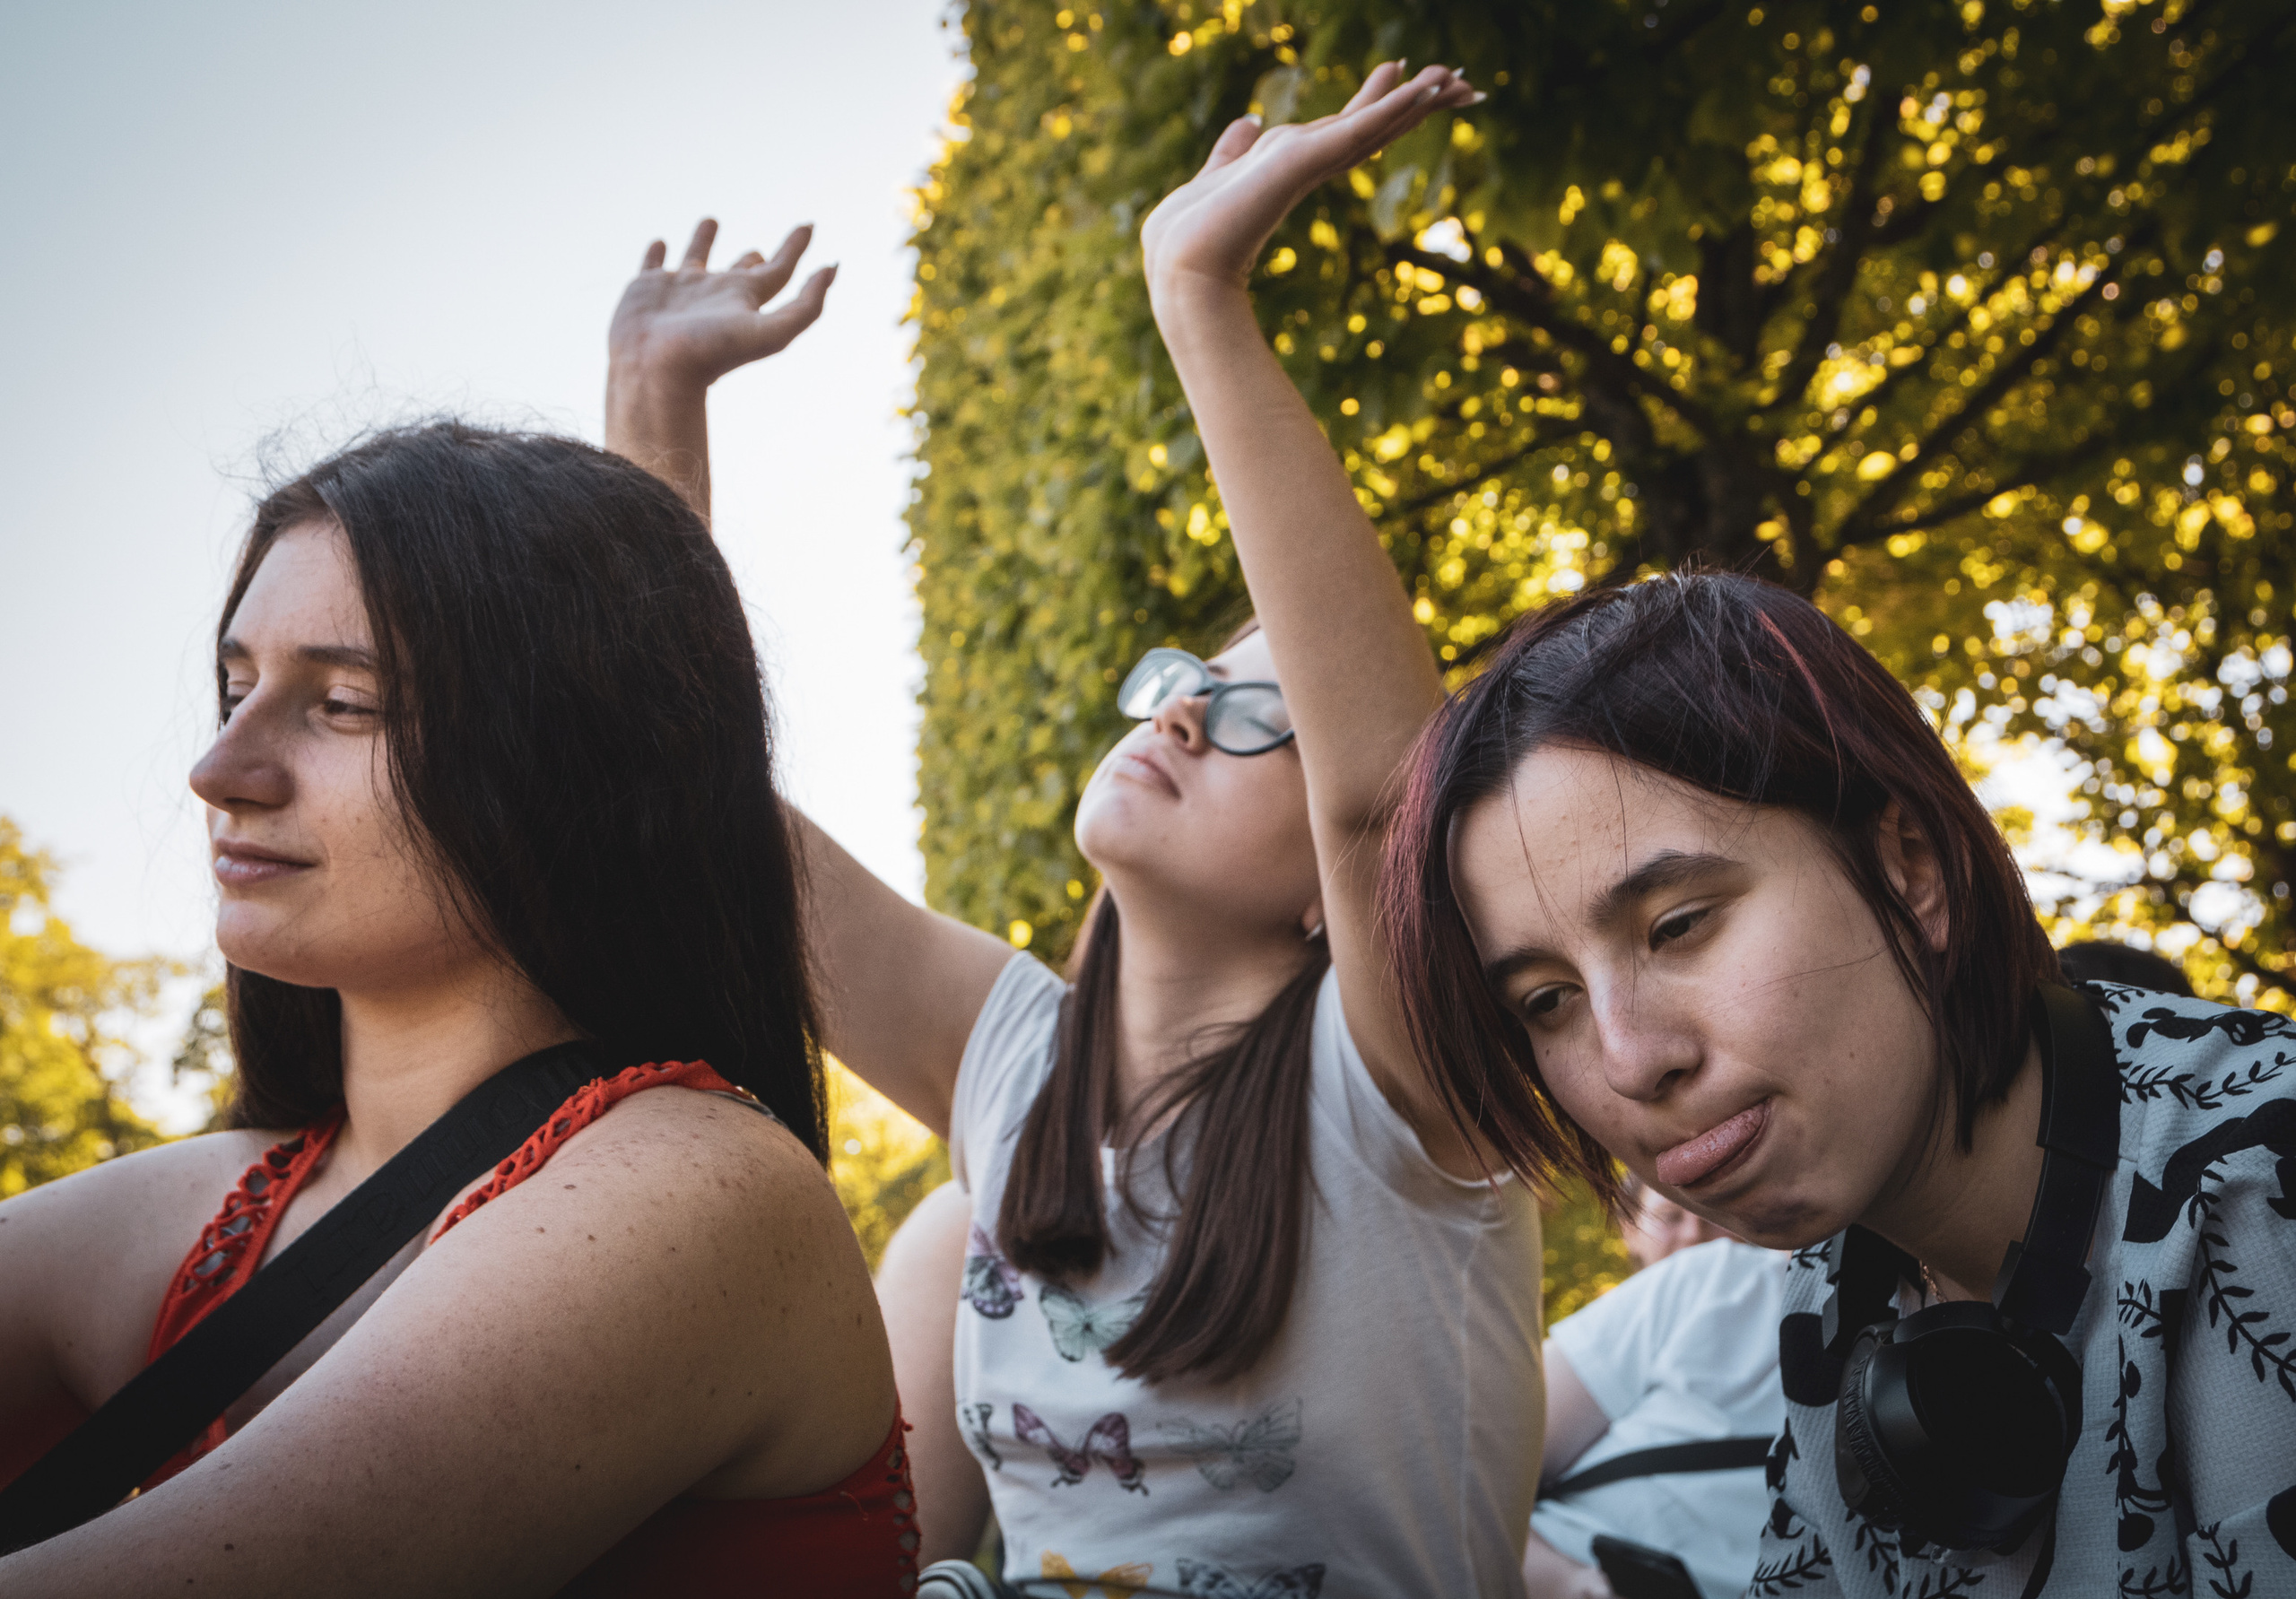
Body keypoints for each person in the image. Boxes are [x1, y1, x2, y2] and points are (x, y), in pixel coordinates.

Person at [603, 64, 1544, 1599]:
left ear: (1345, 888)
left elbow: (1380, 784)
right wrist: (653, 407)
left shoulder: (1391, 1093)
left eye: (1262, 717)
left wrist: (1201, 293)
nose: (1179, 714)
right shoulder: (1018, 1067)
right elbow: (688, 809)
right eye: (1180, 684)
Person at [0, 414, 914, 1595]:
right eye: (235, 686)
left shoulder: (701, 1186)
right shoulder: (226, 1201)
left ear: (570, 755)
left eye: (345, 704)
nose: (220, 767)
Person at [1373, 572, 2296, 1593]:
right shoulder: (1834, 1294)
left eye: (1678, 926)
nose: (1629, 1061)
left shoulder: (2266, 1181)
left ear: (1908, 865)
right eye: (1547, 1002)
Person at [1525, 1179, 1783, 1599]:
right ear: (1629, 1230)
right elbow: (1480, 1472)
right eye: (1670, 1217)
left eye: (1711, 1216)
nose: (1694, 1235)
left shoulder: (1734, 1284)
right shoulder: (1701, 1284)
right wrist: (1573, 1584)